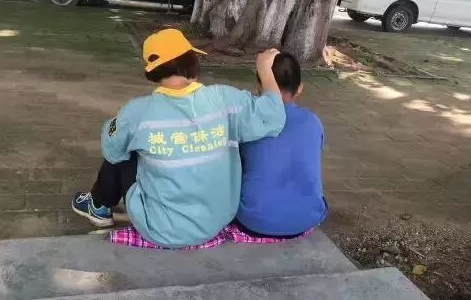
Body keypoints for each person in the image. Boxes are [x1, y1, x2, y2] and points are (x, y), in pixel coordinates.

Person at [71, 28, 285, 249]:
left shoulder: (136, 113)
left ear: (151, 70)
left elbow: (112, 152)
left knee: (124, 149)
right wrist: (265, 70)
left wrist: (121, 122)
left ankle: (98, 205)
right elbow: (274, 116)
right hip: (217, 221)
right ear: (192, 60)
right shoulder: (226, 99)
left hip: (161, 229)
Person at [236, 52, 328, 238]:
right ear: (299, 88)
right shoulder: (312, 121)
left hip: (255, 220)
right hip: (306, 218)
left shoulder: (249, 120)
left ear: (260, 85)